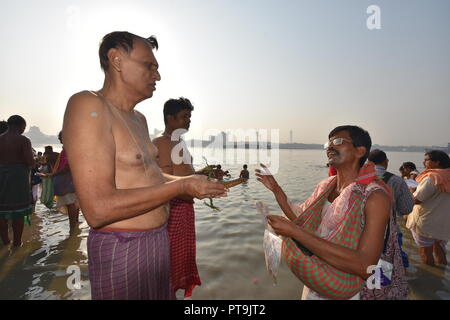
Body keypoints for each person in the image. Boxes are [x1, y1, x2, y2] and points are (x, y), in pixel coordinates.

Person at [62, 31, 226, 300]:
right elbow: (98, 209)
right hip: (122, 248)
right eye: (149, 66)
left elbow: (152, 177)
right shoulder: (88, 105)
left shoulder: (138, 118)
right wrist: (182, 185)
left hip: (158, 241)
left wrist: (195, 182)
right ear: (116, 59)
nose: (157, 76)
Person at [256, 125, 408, 300]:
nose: (330, 146)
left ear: (360, 151)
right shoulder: (326, 185)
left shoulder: (374, 196)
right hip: (318, 278)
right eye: (327, 143)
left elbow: (365, 264)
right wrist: (276, 190)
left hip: (348, 289)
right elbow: (301, 218)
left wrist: (294, 232)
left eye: (337, 141)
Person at [153, 97, 201, 299]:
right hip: (171, 213)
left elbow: (183, 176)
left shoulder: (179, 143)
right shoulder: (161, 143)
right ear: (169, 118)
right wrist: (196, 188)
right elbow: (163, 182)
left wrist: (205, 174)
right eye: (184, 117)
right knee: (168, 267)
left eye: (189, 116)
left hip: (185, 213)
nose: (188, 121)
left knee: (178, 264)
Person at [368, 149, 414, 267]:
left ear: (368, 162)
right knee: (386, 269)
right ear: (386, 162)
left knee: (366, 268)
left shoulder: (356, 177)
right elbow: (406, 209)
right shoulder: (397, 181)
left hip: (359, 231)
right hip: (388, 231)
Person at [406, 150, 450, 266]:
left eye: (426, 160)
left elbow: (417, 199)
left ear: (437, 162)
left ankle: (431, 279)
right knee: (440, 249)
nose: (423, 162)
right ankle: (442, 274)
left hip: (427, 222)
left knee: (426, 252)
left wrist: (411, 190)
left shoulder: (432, 177)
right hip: (444, 222)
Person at [0, 115, 34, 247]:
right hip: (18, 177)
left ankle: (5, 241)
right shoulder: (23, 140)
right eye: (24, 127)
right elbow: (29, 161)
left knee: (1, 212)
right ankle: (17, 242)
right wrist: (34, 162)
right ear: (21, 125)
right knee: (18, 212)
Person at [51, 131, 80, 231]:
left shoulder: (69, 149)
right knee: (74, 201)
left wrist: (54, 174)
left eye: (60, 138)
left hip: (67, 179)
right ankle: (75, 225)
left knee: (70, 202)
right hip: (72, 178)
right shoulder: (72, 148)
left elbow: (67, 167)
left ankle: (72, 227)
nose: (59, 140)